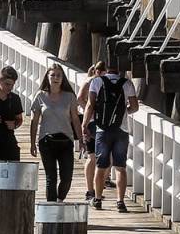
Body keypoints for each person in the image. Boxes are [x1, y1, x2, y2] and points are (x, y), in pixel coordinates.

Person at [83, 61, 138, 212]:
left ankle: (98, 199)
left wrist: (84, 124)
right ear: (120, 69)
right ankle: (120, 202)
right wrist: (123, 112)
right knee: (120, 168)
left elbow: (90, 105)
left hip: (102, 129)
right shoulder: (127, 83)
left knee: (101, 167)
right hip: (122, 129)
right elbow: (135, 107)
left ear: (105, 69)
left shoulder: (97, 81)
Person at [29, 62, 82, 202]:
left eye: (59, 75)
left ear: (63, 78)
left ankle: (60, 200)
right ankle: (51, 208)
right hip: (46, 141)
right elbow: (34, 121)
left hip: (65, 141)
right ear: (47, 77)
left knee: (67, 178)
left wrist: (81, 140)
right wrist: (32, 143)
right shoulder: (40, 96)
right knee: (51, 177)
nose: (56, 78)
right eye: (53, 75)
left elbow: (76, 120)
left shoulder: (69, 96)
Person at [77, 62, 103, 200]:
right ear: (98, 71)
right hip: (92, 123)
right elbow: (80, 99)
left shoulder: (99, 81)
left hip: (98, 123)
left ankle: (97, 189)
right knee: (92, 156)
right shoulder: (90, 81)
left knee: (101, 157)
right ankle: (90, 190)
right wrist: (91, 111)